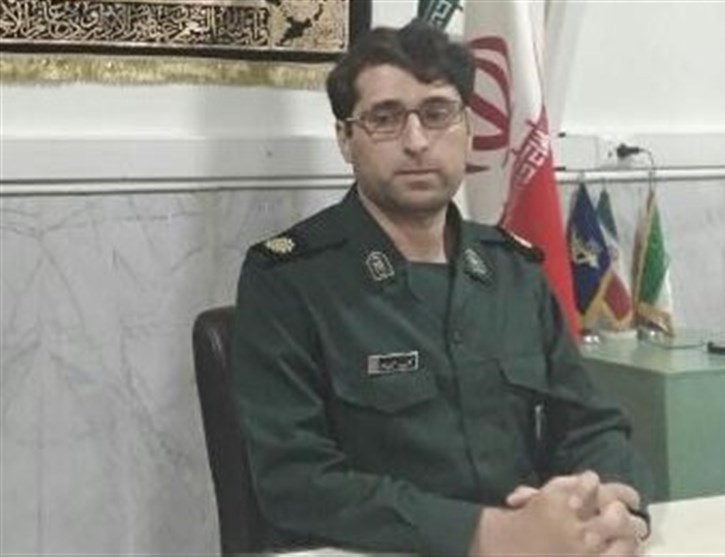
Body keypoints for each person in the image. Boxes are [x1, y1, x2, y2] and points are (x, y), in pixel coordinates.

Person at [232, 19, 653, 556]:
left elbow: (591, 424)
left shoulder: (513, 270)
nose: (416, 142)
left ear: (469, 129)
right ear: (345, 139)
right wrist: (489, 535)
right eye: (385, 119)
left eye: (436, 114)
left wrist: (614, 509)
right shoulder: (289, 279)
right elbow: (295, 481)